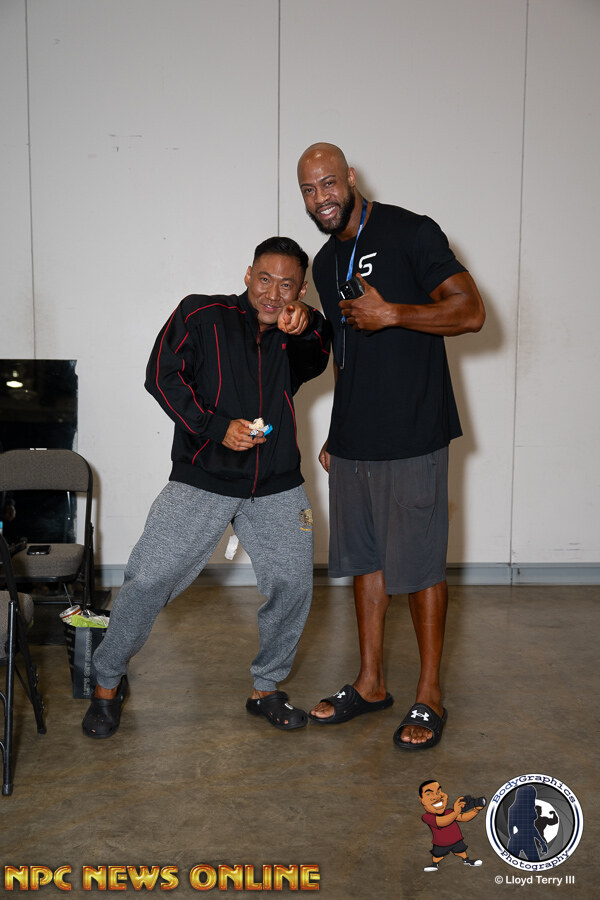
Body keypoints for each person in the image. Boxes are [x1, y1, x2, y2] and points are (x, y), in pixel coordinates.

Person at [82, 236, 331, 738]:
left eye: (286, 285)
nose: (273, 293)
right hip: (203, 474)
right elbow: (161, 375)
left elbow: (317, 358)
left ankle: (266, 687)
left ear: (301, 290)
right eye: (265, 279)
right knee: (148, 578)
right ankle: (107, 681)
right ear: (248, 274)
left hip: (276, 481)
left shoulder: (299, 332)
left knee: (293, 584)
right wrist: (215, 427)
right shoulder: (201, 314)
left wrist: (307, 326)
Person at [297, 143, 485, 749]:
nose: (321, 198)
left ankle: (429, 694)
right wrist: (338, 431)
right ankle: (371, 683)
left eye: (329, 183)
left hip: (414, 429)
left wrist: (395, 314)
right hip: (357, 439)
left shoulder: (411, 231)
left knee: (422, 564)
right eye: (308, 190)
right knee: (365, 560)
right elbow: (347, 357)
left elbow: (471, 312)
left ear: (350, 178)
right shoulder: (327, 262)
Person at [419, 780, 483, 871]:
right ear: (421, 799)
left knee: (461, 851)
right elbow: (442, 822)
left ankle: (467, 860)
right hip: (441, 843)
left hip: (456, 841)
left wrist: (476, 810)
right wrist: (456, 811)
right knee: (437, 855)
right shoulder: (427, 817)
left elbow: (463, 817)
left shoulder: (449, 812)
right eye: (429, 794)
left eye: (438, 792)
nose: (436, 797)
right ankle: (435, 865)